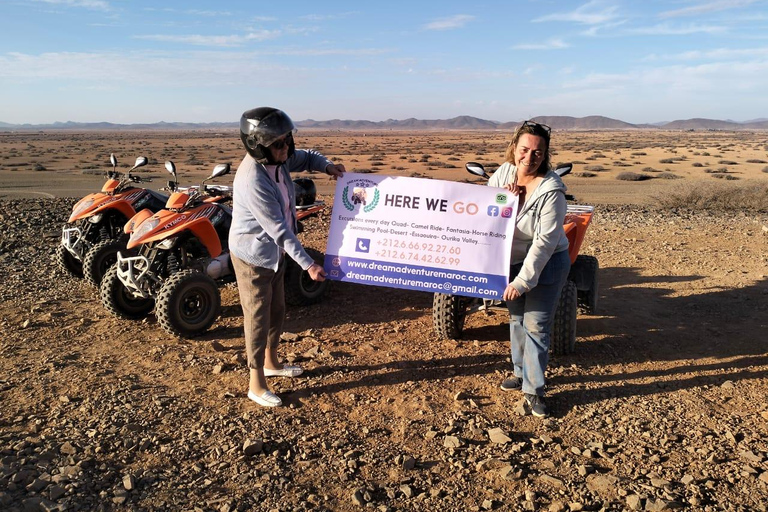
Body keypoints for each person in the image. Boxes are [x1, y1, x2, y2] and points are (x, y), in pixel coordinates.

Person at [230, 107, 345, 407]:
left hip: (275, 253)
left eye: (287, 140)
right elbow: (279, 230)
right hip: (254, 255)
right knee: (257, 316)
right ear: (258, 145)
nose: (287, 148)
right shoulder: (253, 178)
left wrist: (327, 166)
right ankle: (256, 384)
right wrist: (308, 264)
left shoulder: (279, 159)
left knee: (277, 309)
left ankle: (272, 363)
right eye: (279, 143)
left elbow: (306, 157)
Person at [488, 120, 570, 418]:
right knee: (517, 319)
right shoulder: (505, 172)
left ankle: (534, 390)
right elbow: (487, 209)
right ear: (514, 148)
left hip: (546, 264)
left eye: (537, 152)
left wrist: (523, 281)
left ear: (545, 154)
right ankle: (520, 372)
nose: (529, 157)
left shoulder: (552, 191)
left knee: (536, 325)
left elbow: (545, 243)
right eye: (524, 149)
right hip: (512, 258)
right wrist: (504, 200)